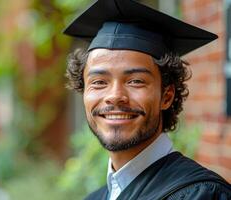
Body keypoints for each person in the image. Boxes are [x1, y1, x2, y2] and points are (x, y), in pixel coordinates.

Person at [63, 0, 231, 199]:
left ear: (166, 96)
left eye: (135, 81)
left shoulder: (200, 195)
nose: (115, 96)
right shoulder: (95, 198)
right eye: (99, 82)